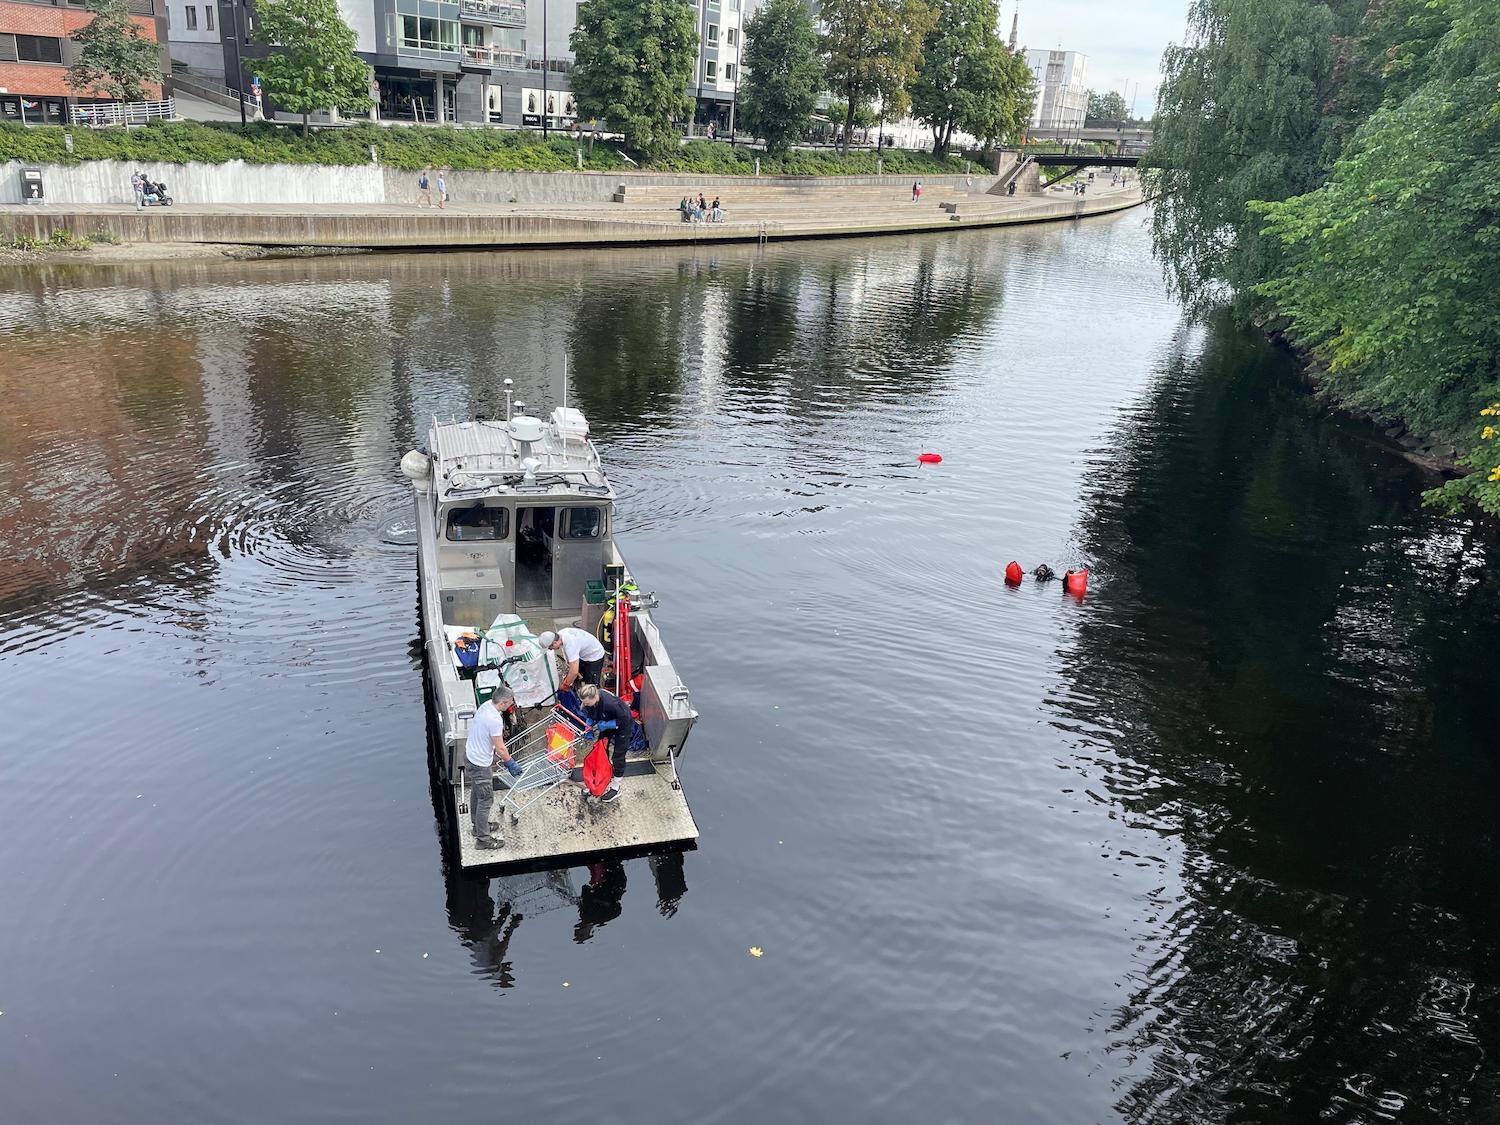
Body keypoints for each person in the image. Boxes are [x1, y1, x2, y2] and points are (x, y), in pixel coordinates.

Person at [464, 687, 523, 850]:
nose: (511, 706)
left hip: (470, 756)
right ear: (503, 702)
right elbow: (500, 747)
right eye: (510, 703)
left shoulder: (485, 706)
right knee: (486, 800)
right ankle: (483, 839)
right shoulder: (495, 720)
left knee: (477, 793)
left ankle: (478, 826)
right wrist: (510, 763)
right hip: (480, 764)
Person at [577, 682, 636, 803]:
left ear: (595, 697)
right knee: (600, 751)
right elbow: (591, 713)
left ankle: (616, 787)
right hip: (606, 721)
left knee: (618, 756)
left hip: (622, 725)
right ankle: (601, 776)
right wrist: (589, 723)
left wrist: (609, 724)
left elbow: (624, 718)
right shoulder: (590, 702)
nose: (585, 705)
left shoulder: (610, 704)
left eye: (587, 703)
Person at [537, 627, 606, 691]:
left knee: (591, 685)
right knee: (577, 677)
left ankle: (593, 700)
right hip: (584, 653)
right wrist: (569, 663)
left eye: (550, 648)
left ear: (555, 643)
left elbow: (574, 672)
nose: (551, 650)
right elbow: (567, 653)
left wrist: (565, 685)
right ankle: (578, 690)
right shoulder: (560, 635)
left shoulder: (571, 645)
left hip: (595, 655)